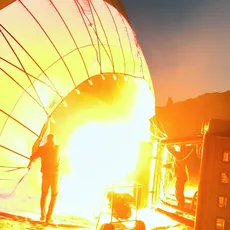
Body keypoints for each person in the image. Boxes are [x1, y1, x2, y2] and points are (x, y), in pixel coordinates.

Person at [27, 134, 61, 223]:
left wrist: (30, 162)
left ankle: (43, 215)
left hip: (46, 175)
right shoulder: (58, 148)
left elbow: (33, 156)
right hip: (55, 175)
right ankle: (48, 217)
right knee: (54, 196)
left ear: (47, 140)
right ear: (54, 140)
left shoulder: (42, 149)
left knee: (44, 194)